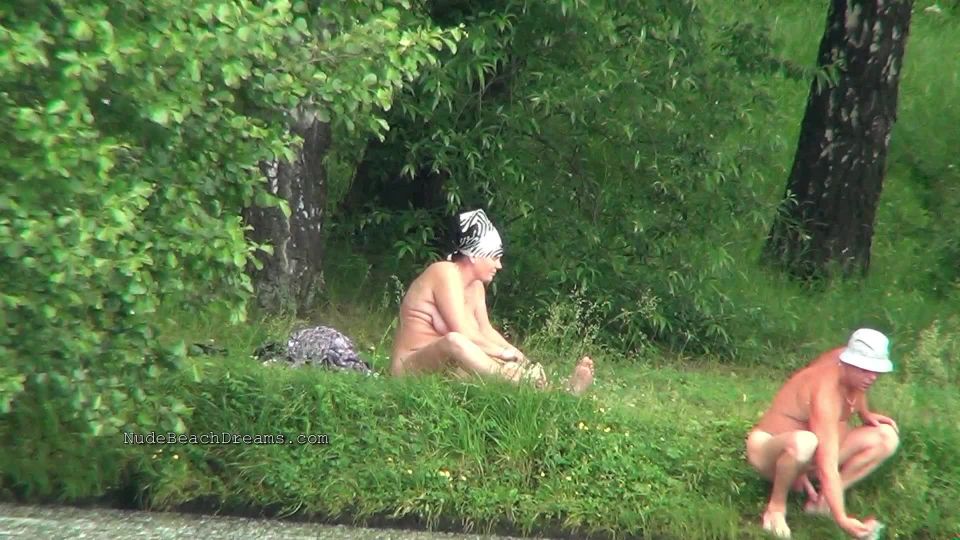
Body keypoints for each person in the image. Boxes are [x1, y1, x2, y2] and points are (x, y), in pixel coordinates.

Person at [390, 209, 594, 394]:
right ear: (474, 255)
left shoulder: (476, 287)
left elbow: (486, 332)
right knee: (455, 341)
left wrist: (522, 359)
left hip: (447, 367)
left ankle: (557, 393)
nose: (499, 265)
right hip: (411, 367)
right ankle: (516, 382)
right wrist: (503, 355)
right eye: (494, 257)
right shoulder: (445, 272)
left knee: (491, 362)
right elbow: (461, 332)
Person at [745, 328, 900, 539]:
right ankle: (776, 509)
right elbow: (827, 464)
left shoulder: (846, 361)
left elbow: (857, 390)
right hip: (771, 447)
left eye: (876, 370)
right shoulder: (826, 393)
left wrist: (865, 413)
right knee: (804, 442)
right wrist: (842, 519)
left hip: (810, 456)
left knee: (886, 437)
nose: (872, 377)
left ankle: (824, 502)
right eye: (865, 370)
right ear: (849, 362)